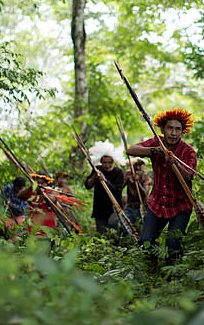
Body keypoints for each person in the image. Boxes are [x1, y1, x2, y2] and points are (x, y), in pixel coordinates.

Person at [126, 108, 197, 264]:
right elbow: (130, 150)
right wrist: (155, 151)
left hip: (180, 206)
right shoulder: (157, 142)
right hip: (157, 203)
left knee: (173, 244)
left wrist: (176, 163)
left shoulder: (188, 151)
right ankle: (152, 269)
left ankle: (171, 278)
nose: (173, 133)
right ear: (163, 129)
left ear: (182, 132)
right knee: (145, 241)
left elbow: (190, 176)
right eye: (170, 128)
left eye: (178, 129)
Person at [84, 140, 125, 233]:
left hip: (114, 207)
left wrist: (105, 180)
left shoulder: (119, 172)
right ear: (101, 162)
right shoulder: (97, 169)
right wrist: (94, 177)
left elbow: (117, 190)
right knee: (101, 232)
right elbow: (88, 185)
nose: (106, 165)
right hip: (99, 208)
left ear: (113, 162)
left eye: (109, 162)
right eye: (104, 162)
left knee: (113, 231)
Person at [123, 158, 151, 226]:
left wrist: (137, 183)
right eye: (135, 165)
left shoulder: (145, 176)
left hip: (142, 207)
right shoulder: (128, 174)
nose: (138, 167)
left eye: (140, 165)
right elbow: (120, 187)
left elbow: (145, 193)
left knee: (140, 226)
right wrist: (127, 180)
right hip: (130, 206)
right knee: (126, 226)